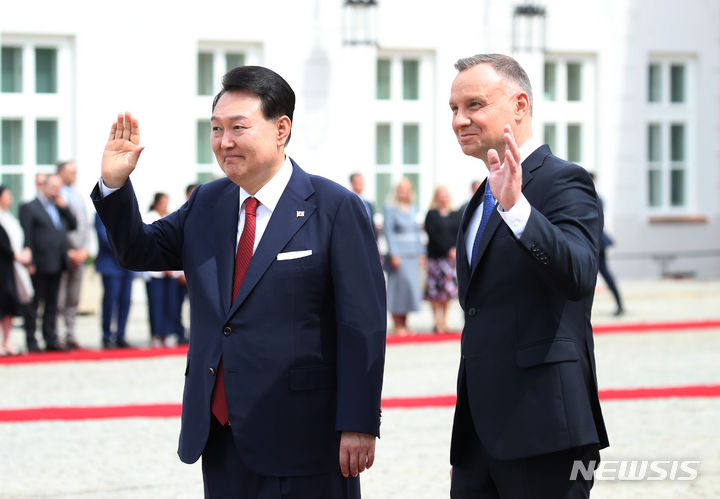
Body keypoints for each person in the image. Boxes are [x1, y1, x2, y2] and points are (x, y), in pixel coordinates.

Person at [92, 65, 386, 498]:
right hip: (222, 432)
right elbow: (139, 251)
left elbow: (362, 325)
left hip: (306, 435)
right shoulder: (208, 203)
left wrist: (359, 422)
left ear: (281, 129)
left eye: (237, 128)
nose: (224, 141)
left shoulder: (335, 207)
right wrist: (115, 186)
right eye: (215, 129)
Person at [448, 54, 609, 498]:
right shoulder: (478, 200)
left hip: (546, 431)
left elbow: (578, 274)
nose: (460, 119)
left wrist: (519, 210)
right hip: (478, 438)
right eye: (453, 109)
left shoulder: (564, 181)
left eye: (474, 105)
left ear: (519, 105)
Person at [20, 175, 77, 352]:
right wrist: (30, 262)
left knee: (52, 304)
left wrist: (65, 207)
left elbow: (73, 225)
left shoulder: (58, 206)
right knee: (34, 304)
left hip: (57, 262)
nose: (55, 191)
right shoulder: (30, 207)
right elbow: (27, 234)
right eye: (52, 187)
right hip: (39, 263)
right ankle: (31, 340)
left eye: (58, 188)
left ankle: (51, 338)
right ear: (43, 186)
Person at [56, 161, 92, 349]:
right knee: (59, 298)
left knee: (73, 297)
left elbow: (85, 225)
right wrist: (70, 250)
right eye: (72, 172)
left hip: (80, 253)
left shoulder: (78, 196)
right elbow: (58, 228)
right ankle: (56, 334)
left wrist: (84, 249)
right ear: (61, 173)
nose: (75, 175)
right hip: (65, 254)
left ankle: (71, 333)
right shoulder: (55, 196)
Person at [383, 177, 424, 336]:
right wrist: (394, 253)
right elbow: (389, 232)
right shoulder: (389, 208)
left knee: (410, 290)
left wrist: (421, 253)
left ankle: (406, 323)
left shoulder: (413, 208)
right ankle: (397, 325)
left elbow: (416, 232)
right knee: (398, 289)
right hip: (398, 255)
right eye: (401, 189)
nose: (403, 192)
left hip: (413, 254)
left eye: (406, 189)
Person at [0, 186, 33, 355]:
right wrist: (15, 256)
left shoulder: (9, 217)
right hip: (3, 266)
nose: (10, 199)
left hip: (11, 267)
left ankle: (7, 342)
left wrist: (24, 252)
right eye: (7, 195)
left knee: (9, 305)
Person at [423, 185, 460, 333]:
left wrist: (455, 249)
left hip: (450, 260)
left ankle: (444, 320)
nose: (443, 197)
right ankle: (436, 320)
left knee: (447, 291)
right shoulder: (431, 214)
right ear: (436, 197)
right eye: (440, 194)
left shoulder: (455, 214)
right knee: (434, 291)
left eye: (446, 194)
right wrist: (446, 249)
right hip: (436, 258)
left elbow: (459, 233)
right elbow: (432, 234)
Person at [142, 192, 177, 347]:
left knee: (171, 303)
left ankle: (168, 333)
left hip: (171, 270)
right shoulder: (149, 217)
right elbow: (148, 242)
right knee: (156, 303)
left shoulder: (172, 216)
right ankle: (156, 334)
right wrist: (162, 265)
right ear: (156, 203)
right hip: (155, 271)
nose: (165, 205)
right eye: (163, 202)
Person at [95, 213, 134, 348]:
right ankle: (107, 336)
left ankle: (121, 335)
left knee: (126, 301)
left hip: (127, 265)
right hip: (110, 264)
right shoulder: (100, 212)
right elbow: (103, 237)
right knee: (110, 301)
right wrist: (125, 246)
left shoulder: (127, 211)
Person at [590, 173, 624, 316]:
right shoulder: (596, 197)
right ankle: (619, 304)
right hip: (596, 240)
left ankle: (619, 304)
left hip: (597, 241)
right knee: (601, 273)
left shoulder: (594, 198)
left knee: (603, 273)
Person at [172, 183, 198, 347]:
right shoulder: (182, 214)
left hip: (199, 271)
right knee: (177, 305)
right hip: (181, 271)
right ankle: (179, 332)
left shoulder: (212, 212)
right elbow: (176, 244)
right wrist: (180, 272)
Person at [349, 172, 375, 237]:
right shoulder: (348, 201)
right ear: (352, 183)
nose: (362, 183)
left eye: (362, 181)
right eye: (359, 181)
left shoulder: (368, 204)